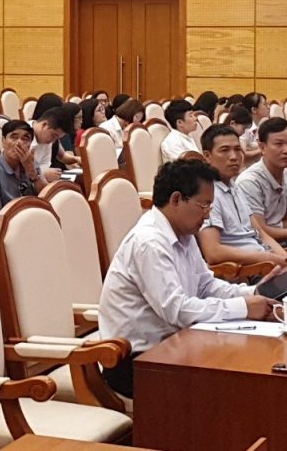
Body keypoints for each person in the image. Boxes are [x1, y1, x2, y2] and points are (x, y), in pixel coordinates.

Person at [98, 159, 275, 398]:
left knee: (250, 364)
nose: (208, 214)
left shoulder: (184, 233)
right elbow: (177, 309)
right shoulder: (149, 242)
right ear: (176, 199)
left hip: (177, 345)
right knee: (232, 384)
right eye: (204, 205)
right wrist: (243, 307)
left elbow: (205, 285)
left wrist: (253, 293)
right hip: (137, 362)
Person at [198, 125, 287, 268]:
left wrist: (284, 257)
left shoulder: (233, 186)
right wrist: (267, 258)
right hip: (249, 270)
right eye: (225, 150)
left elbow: (260, 233)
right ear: (207, 156)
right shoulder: (209, 195)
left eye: (237, 149)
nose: (234, 157)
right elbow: (213, 252)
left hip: (266, 261)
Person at [234, 117, 287, 251]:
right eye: (279, 144)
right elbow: (259, 230)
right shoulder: (249, 182)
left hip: (285, 243)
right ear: (262, 147)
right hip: (261, 249)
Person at [0, 120, 38, 229]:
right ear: (3, 141)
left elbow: (46, 198)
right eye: (14, 137)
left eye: (25, 139)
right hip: (11, 230)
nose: (19, 143)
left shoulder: (30, 163)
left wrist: (31, 170)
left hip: (35, 221)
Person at [30, 107, 72, 190]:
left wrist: (42, 173)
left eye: (57, 138)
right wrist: (43, 174)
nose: (53, 141)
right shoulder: (21, 136)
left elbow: (46, 163)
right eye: (53, 135)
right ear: (44, 125)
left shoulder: (47, 139)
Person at [55, 101, 82, 168]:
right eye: (79, 117)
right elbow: (71, 165)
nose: (81, 121)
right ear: (70, 117)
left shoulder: (71, 134)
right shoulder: (64, 135)